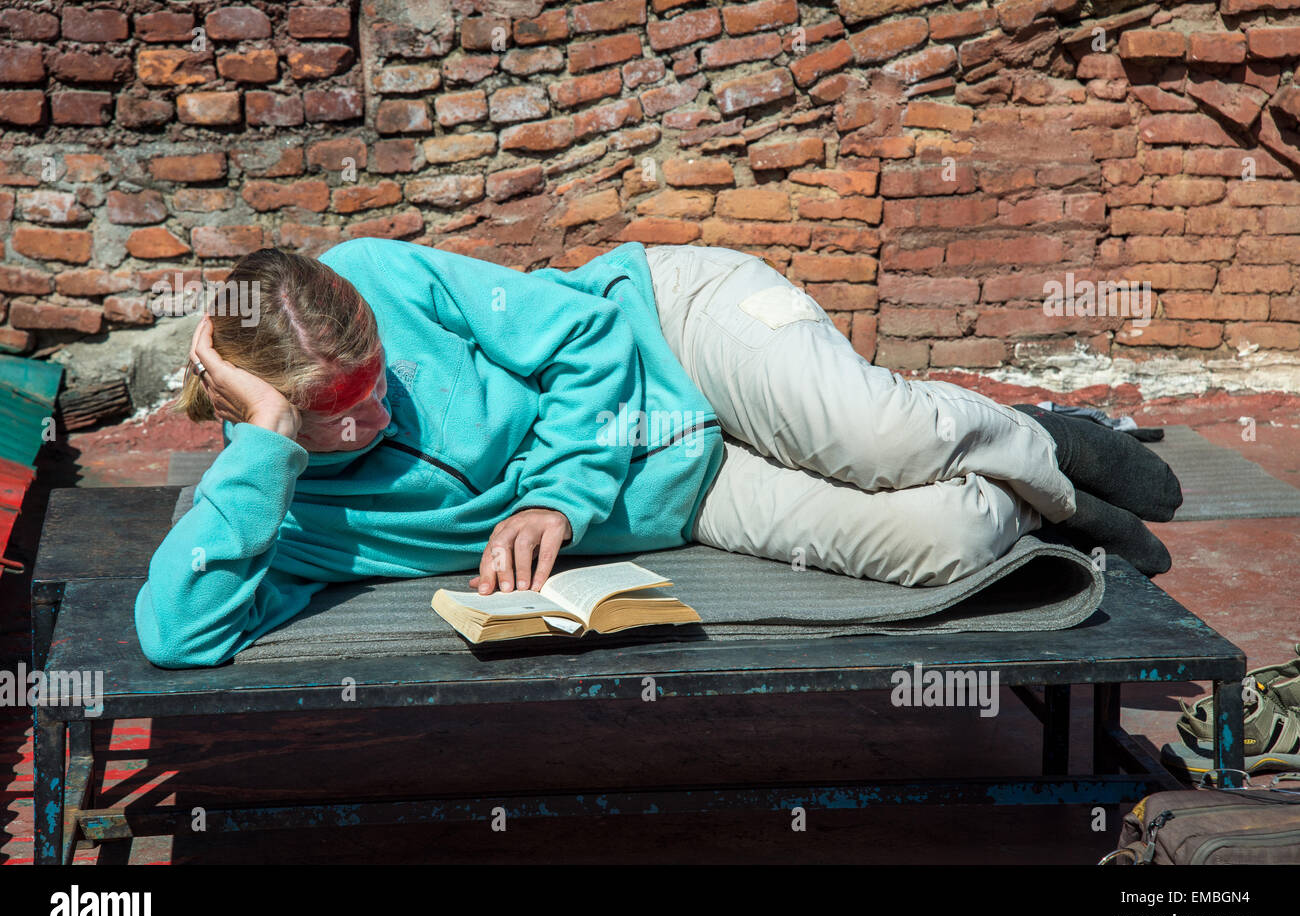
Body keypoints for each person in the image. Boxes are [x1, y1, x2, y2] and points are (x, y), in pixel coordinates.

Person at [135, 238, 1182, 668]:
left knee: (883, 434)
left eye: (379, 379)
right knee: (946, 542)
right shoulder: (273, 506)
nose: (378, 414)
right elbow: (177, 635)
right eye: (339, 413)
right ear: (266, 412)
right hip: (683, 489)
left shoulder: (376, 272)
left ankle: (1048, 440)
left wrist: (554, 496)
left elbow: (587, 335)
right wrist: (269, 448)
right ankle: (1042, 496)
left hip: (671, 327)